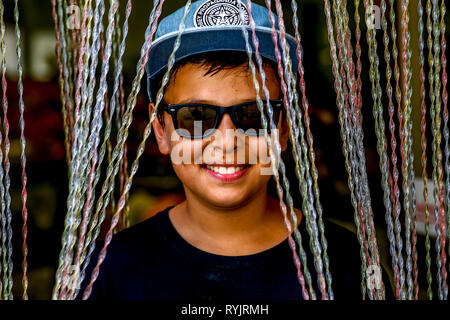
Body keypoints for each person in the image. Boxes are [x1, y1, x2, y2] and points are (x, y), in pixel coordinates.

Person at [79, 0, 390, 300]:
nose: (227, 141)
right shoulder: (112, 268)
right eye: (197, 116)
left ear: (283, 130)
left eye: (254, 115)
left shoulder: (344, 261)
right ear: (161, 131)